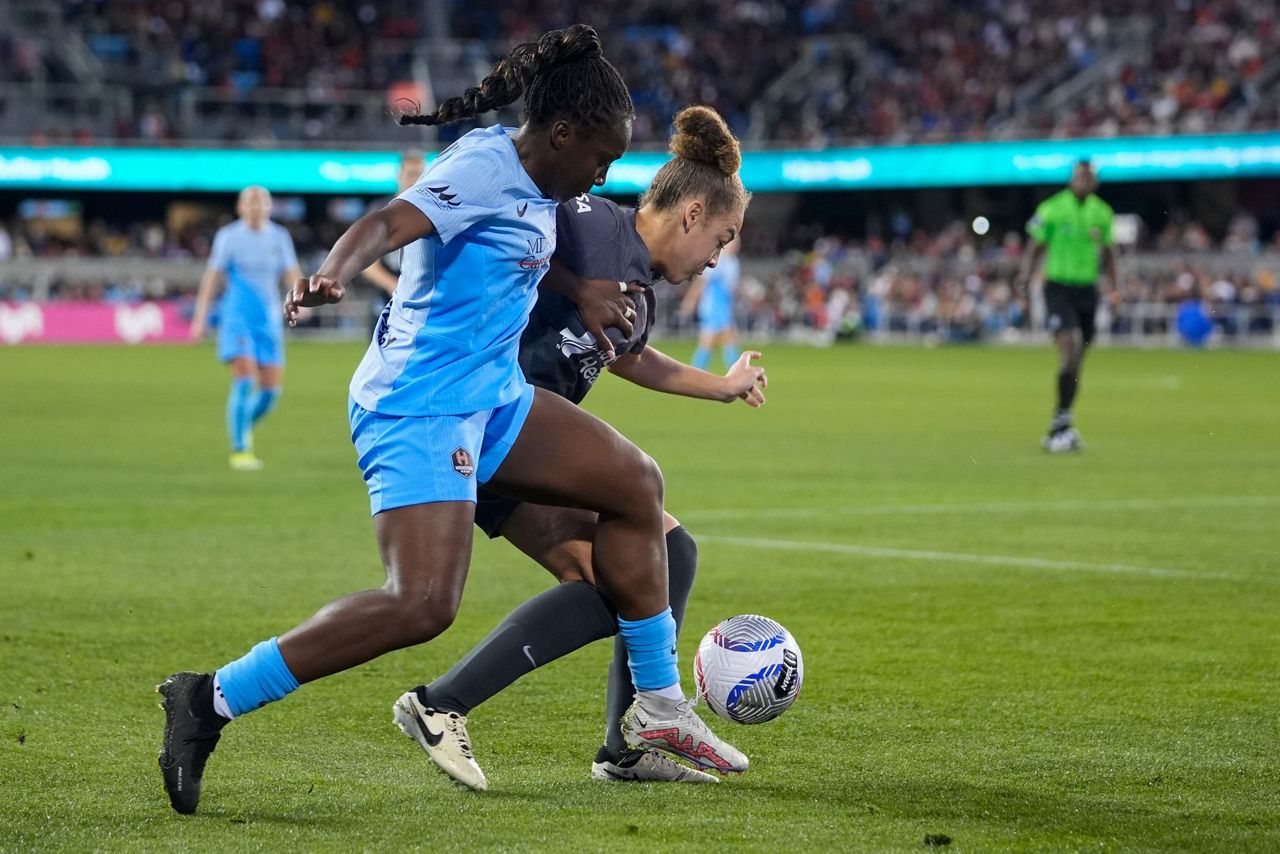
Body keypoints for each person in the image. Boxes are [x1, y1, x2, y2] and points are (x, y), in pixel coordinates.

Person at [156, 25, 745, 817]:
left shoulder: (544, 182)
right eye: (601, 157)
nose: (604, 176)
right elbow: (385, 226)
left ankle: (659, 710)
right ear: (562, 133)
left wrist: (581, 289)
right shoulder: (480, 166)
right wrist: (331, 274)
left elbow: (525, 239)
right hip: (419, 403)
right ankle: (208, 699)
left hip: (494, 396)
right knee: (422, 604)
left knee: (636, 484)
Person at [406, 106, 762, 790]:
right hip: (489, 423)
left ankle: (624, 747)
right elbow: (511, 226)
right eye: (721, 238)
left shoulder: (640, 288)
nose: (716, 258)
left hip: (530, 447)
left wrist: (720, 386)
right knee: (627, 569)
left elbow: (632, 358)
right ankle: (442, 703)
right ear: (691, 214)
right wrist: (570, 283)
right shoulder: (593, 222)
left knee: (665, 557)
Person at [190, 186, 302, 471]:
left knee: (270, 392)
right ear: (241, 207)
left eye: (262, 202)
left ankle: (240, 425)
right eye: (251, 202)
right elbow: (212, 278)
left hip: (269, 320)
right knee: (244, 378)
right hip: (237, 318)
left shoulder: (279, 236)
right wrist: (200, 318)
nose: (256, 207)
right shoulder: (229, 236)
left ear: (269, 207)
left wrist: (303, 299)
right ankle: (240, 449)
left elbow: (291, 273)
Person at [1018, 159, 1117, 453]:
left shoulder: (1102, 212)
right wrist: (1024, 283)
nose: (1084, 180)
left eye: (1089, 176)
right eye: (1079, 176)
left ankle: (1061, 424)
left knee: (1077, 360)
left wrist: (1115, 289)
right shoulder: (1052, 208)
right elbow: (1035, 246)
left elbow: (1110, 253)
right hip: (1058, 288)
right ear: (1072, 179)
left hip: (1087, 290)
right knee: (1071, 347)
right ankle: (1061, 424)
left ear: (1095, 182)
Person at [359, 150, 425, 300]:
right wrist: (393, 285)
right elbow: (367, 263)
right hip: (390, 295)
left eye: (420, 175)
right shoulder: (381, 210)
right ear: (400, 176)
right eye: (411, 175)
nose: (415, 181)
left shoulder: (433, 211)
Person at [681, 234, 741, 370]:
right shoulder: (718, 261)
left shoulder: (733, 262)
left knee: (716, 341)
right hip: (713, 306)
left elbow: (731, 288)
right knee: (722, 339)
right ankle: (736, 373)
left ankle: (696, 372)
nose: (736, 246)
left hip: (723, 305)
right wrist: (690, 300)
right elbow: (702, 283)